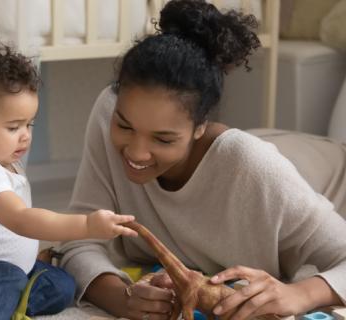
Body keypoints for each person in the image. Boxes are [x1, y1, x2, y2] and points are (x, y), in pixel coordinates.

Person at [58, 1, 346, 320]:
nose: (136, 152)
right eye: (124, 126)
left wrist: (299, 293)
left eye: (163, 139)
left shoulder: (258, 170)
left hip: (326, 170)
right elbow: (77, 236)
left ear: (200, 126)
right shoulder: (108, 111)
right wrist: (122, 298)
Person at [0, 44, 138, 320]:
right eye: (13, 127)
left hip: (6, 272)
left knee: (62, 285)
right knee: (6, 277)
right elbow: (21, 219)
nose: (25, 135)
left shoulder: (8, 162)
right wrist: (86, 225)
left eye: (29, 125)